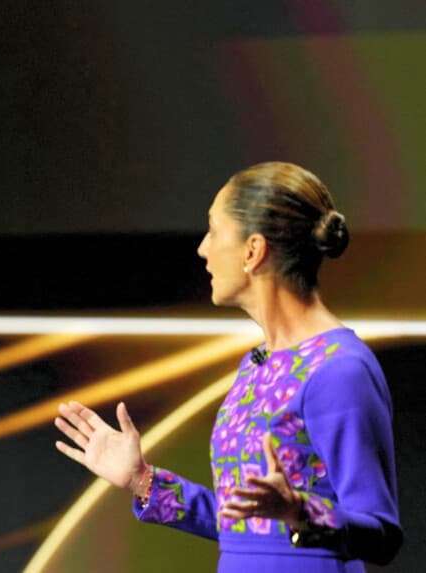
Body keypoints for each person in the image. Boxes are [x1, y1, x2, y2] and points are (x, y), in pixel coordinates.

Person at [54, 162, 402, 572]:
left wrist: (299, 513)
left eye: (214, 231)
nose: (202, 248)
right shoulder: (256, 364)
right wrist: (142, 480)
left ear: (253, 251)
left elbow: (382, 535)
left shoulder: (339, 370)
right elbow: (244, 523)